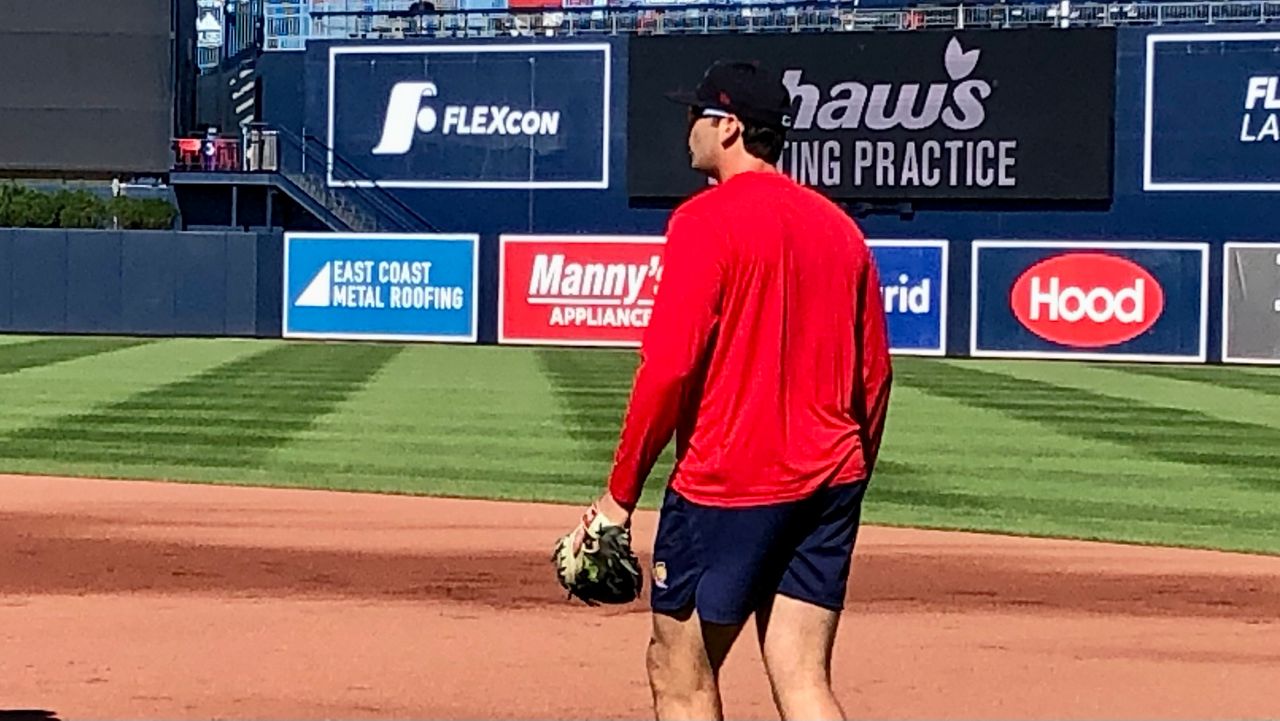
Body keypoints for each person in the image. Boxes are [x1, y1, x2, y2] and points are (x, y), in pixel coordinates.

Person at [571, 59, 893, 721]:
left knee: (680, 672)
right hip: (829, 477)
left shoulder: (704, 222)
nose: (688, 125)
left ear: (732, 127)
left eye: (698, 113)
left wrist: (617, 499)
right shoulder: (841, 229)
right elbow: (875, 377)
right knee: (804, 678)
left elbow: (668, 366)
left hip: (729, 481)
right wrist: (850, 476)